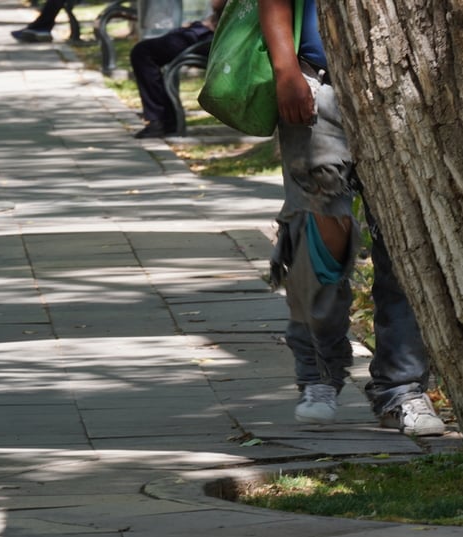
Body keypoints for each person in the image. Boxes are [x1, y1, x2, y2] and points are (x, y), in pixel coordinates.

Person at [259, 0, 446, 437]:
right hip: (316, 86)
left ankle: (401, 389)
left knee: (407, 241)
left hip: (409, 83)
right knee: (319, 239)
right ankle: (319, 376)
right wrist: (286, 70)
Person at [129, 0, 226, 139]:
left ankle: (161, 120)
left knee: (143, 52)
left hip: (212, 36)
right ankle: (165, 120)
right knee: (146, 51)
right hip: (206, 30)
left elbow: (218, 4)